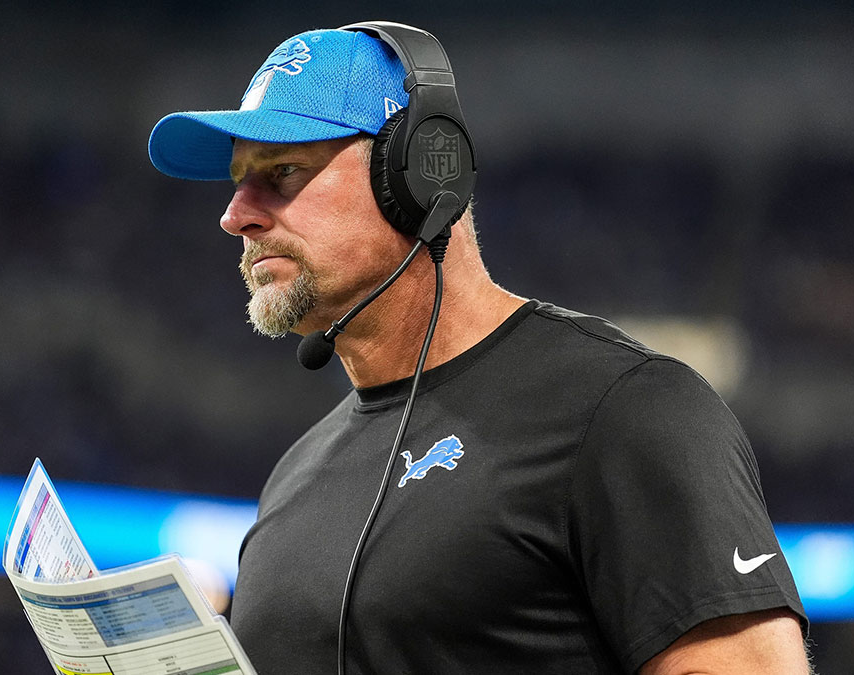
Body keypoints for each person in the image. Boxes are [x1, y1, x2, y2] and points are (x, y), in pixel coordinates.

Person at [148, 22, 810, 674]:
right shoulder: (293, 478)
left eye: (281, 172)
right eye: (237, 180)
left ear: (418, 171)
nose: (237, 214)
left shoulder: (623, 409)